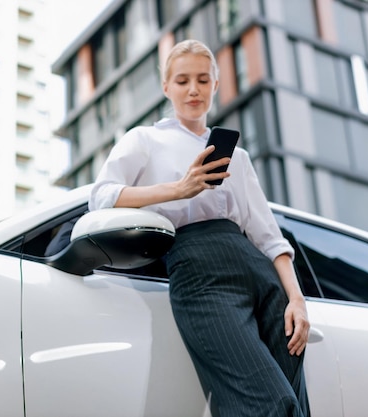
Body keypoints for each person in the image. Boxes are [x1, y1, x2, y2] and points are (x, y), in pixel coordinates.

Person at [88, 39, 311, 417]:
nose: (193, 89)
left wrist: (297, 299)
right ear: (166, 88)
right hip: (201, 274)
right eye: (182, 80)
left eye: (204, 80)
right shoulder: (145, 139)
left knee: (294, 407)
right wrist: (180, 189)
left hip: (262, 278)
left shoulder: (237, 157)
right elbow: (101, 196)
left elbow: (269, 236)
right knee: (271, 404)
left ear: (216, 85)